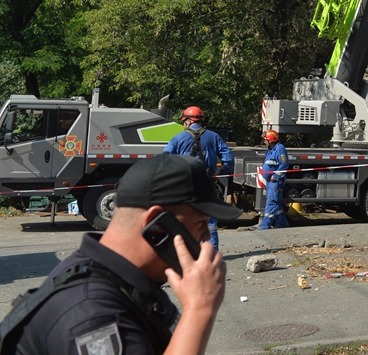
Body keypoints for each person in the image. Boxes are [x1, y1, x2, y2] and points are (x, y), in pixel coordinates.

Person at [0, 154, 238, 355]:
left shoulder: (123, 280)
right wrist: (200, 308)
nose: (206, 237)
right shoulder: (92, 314)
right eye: (199, 224)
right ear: (157, 227)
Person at [162, 106, 235, 249]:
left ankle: (186, 255)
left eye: (183, 121)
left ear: (188, 121)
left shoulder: (178, 138)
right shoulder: (214, 137)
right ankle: (210, 255)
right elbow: (229, 160)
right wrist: (219, 174)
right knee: (209, 223)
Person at [258, 129, 290, 230]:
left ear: (270, 140)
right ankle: (282, 223)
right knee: (275, 203)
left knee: (271, 203)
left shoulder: (280, 149)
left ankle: (264, 226)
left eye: (265, 140)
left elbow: (284, 164)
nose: (264, 142)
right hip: (270, 182)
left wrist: (275, 176)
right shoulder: (270, 150)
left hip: (276, 182)